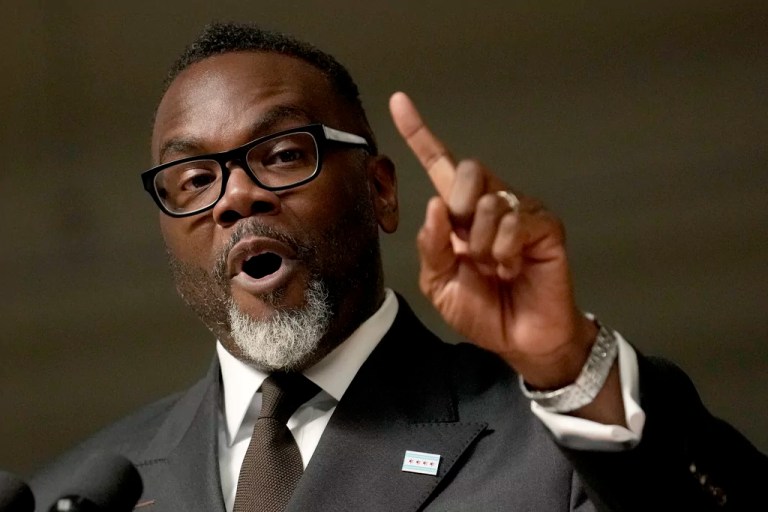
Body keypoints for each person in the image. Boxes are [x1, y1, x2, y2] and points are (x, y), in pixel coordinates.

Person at [30, 21, 766, 511]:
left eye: (283, 154)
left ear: (380, 190)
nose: (237, 196)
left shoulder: (556, 440)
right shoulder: (80, 493)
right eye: (193, 180)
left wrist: (568, 359)